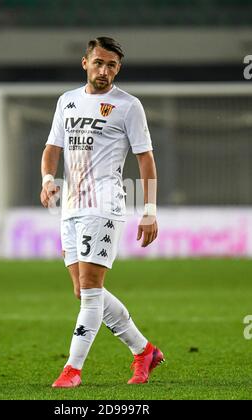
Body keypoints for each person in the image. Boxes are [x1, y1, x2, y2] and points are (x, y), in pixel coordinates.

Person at [40, 37, 164, 388]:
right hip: (71, 207)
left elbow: (146, 159)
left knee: (91, 291)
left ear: (118, 68)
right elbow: (52, 147)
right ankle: (144, 351)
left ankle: (72, 369)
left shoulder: (128, 106)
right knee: (82, 292)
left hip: (104, 205)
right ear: (85, 63)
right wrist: (49, 179)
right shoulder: (67, 102)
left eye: (111, 65)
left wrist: (150, 210)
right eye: (98, 63)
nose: (104, 70)